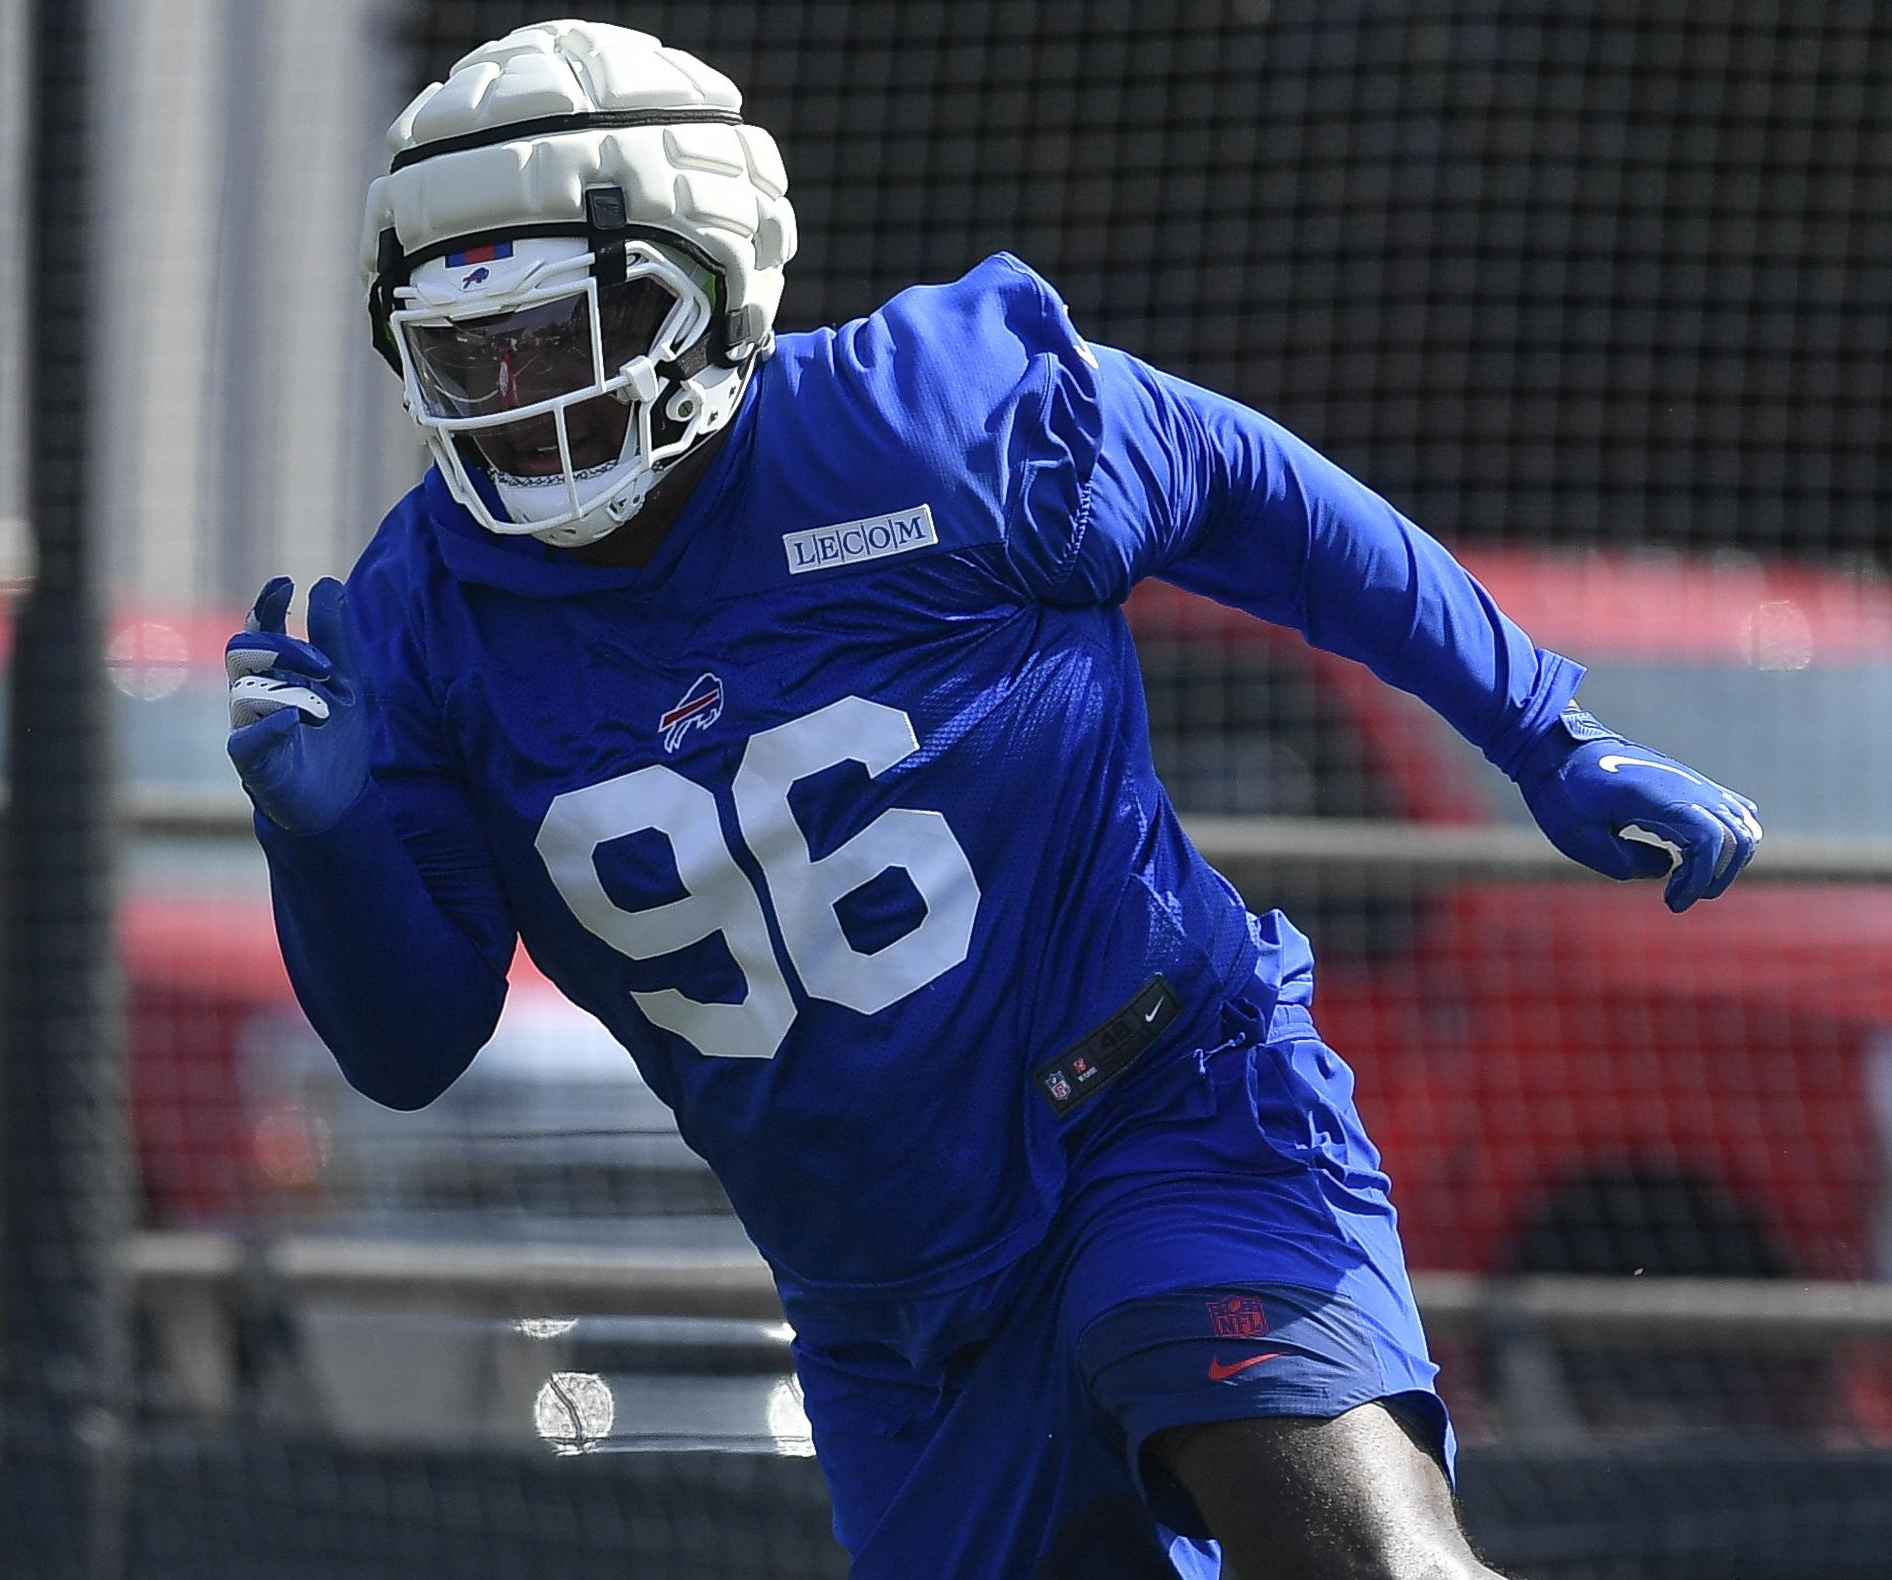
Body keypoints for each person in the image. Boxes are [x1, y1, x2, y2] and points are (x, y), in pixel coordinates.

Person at [228, 20, 1757, 1579]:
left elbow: (1240, 482)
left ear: (709, 285)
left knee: (1360, 1560)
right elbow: (408, 1048)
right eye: (468, 350)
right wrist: (325, 839)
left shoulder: (927, 424)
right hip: (888, 1299)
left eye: (558, 334)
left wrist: (1541, 725)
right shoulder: (422, 620)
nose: (516, 393)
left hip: (1159, 1113)